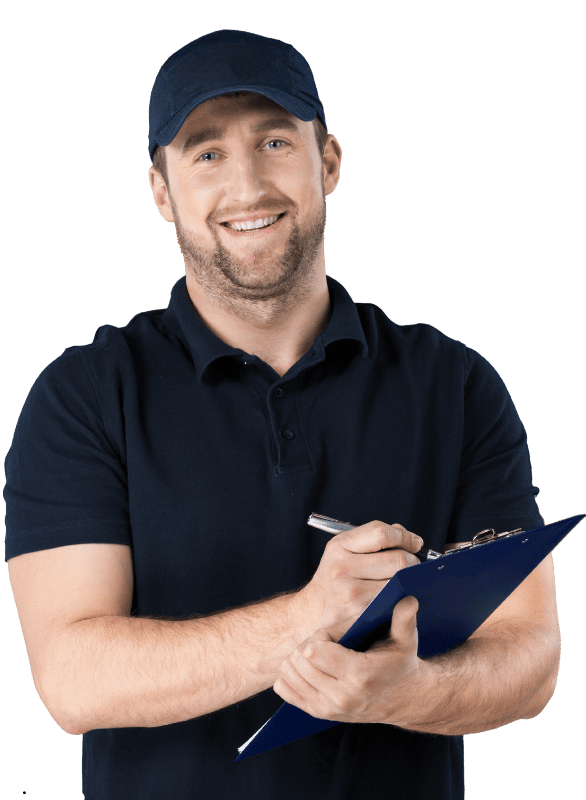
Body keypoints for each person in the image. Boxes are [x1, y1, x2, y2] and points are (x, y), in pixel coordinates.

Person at [4, 29, 560, 800]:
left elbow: (529, 657)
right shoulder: (85, 396)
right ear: (162, 192)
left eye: (274, 141)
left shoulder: (454, 384)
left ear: (327, 161)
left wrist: (408, 695)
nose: (248, 186)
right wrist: (309, 617)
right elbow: (72, 680)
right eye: (206, 153)